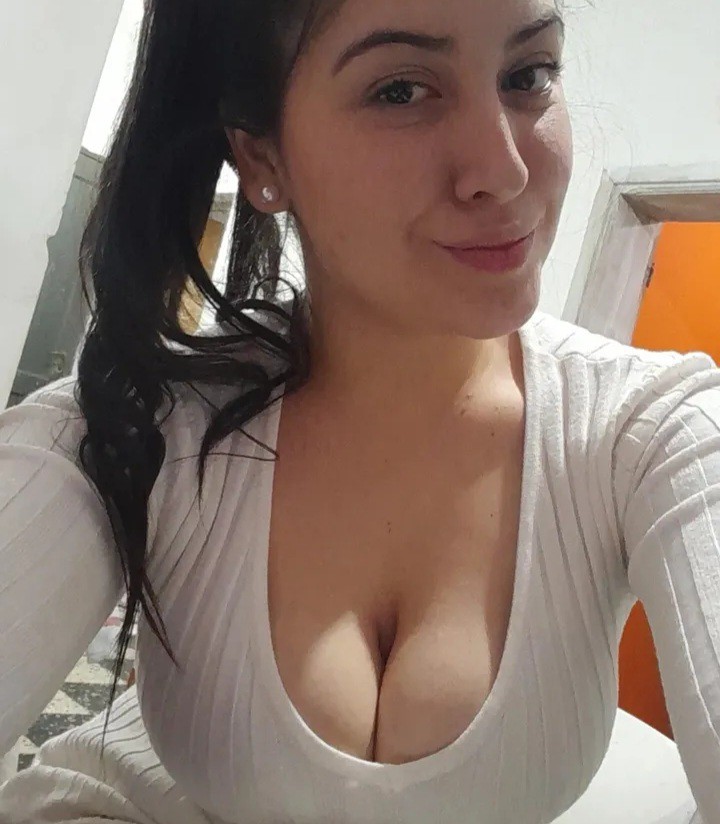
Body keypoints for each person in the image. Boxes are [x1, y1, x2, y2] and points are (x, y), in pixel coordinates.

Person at [0, 0, 718, 821]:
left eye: (528, 75)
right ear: (261, 153)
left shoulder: (650, 429)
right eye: (401, 91)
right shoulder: (142, 428)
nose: (504, 169)